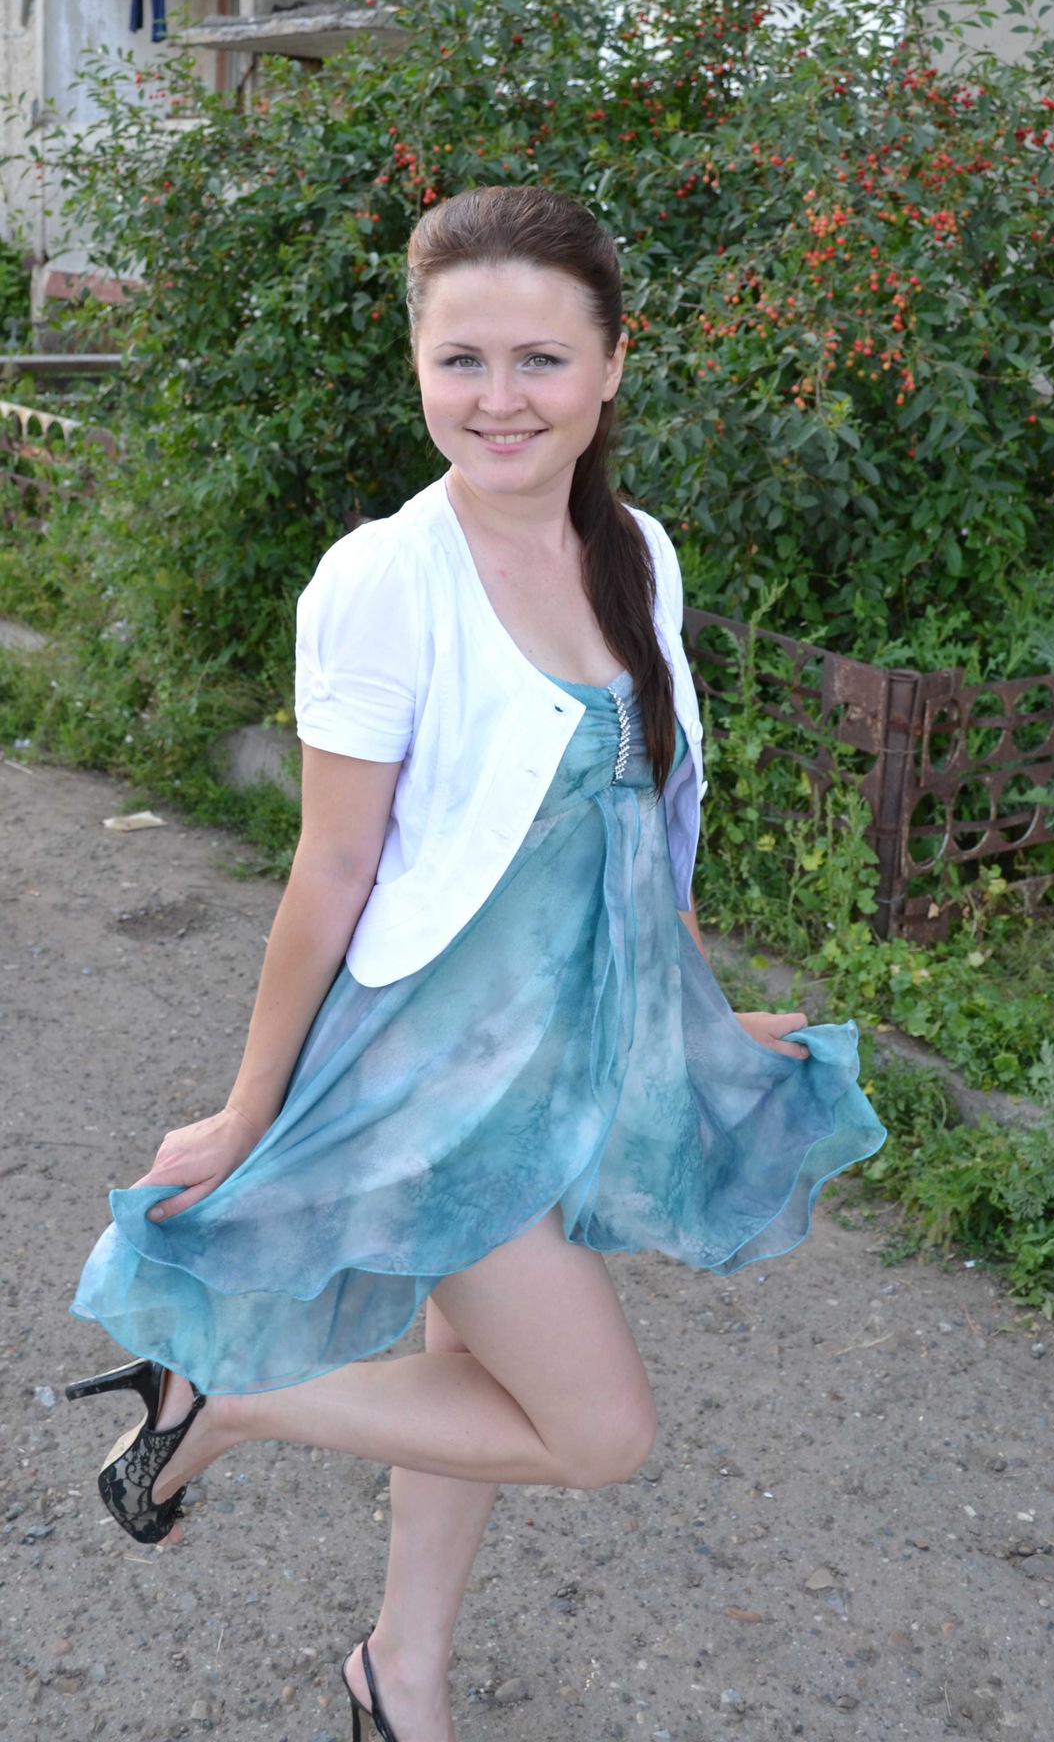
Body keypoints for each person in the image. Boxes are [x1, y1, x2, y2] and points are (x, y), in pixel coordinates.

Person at [66, 185, 886, 1742]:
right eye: (460, 360)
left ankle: (402, 1676)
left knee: (478, 1376)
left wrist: (697, 1025)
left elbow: (643, 829)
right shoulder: (382, 578)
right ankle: (223, 1400)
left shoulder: (635, 552)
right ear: (418, 366)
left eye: (538, 359)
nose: (498, 399)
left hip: (570, 1059)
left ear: (612, 365)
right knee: (594, 1431)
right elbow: (332, 870)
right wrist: (249, 1112)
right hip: (436, 1082)